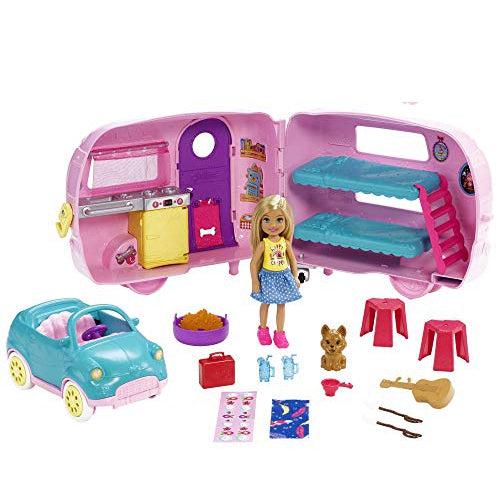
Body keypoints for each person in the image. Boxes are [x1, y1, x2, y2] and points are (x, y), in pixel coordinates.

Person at [250, 194, 301, 348]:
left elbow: (293, 260)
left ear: (286, 221)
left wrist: (295, 277)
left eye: (279, 219)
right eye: (266, 220)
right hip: (267, 277)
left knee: (281, 305)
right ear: (259, 222)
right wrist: (255, 282)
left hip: (283, 276)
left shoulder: (285, 243)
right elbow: (253, 264)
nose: (273, 225)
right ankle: (263, 330)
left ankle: (280, 333)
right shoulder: (264, 244)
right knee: (265, 303)